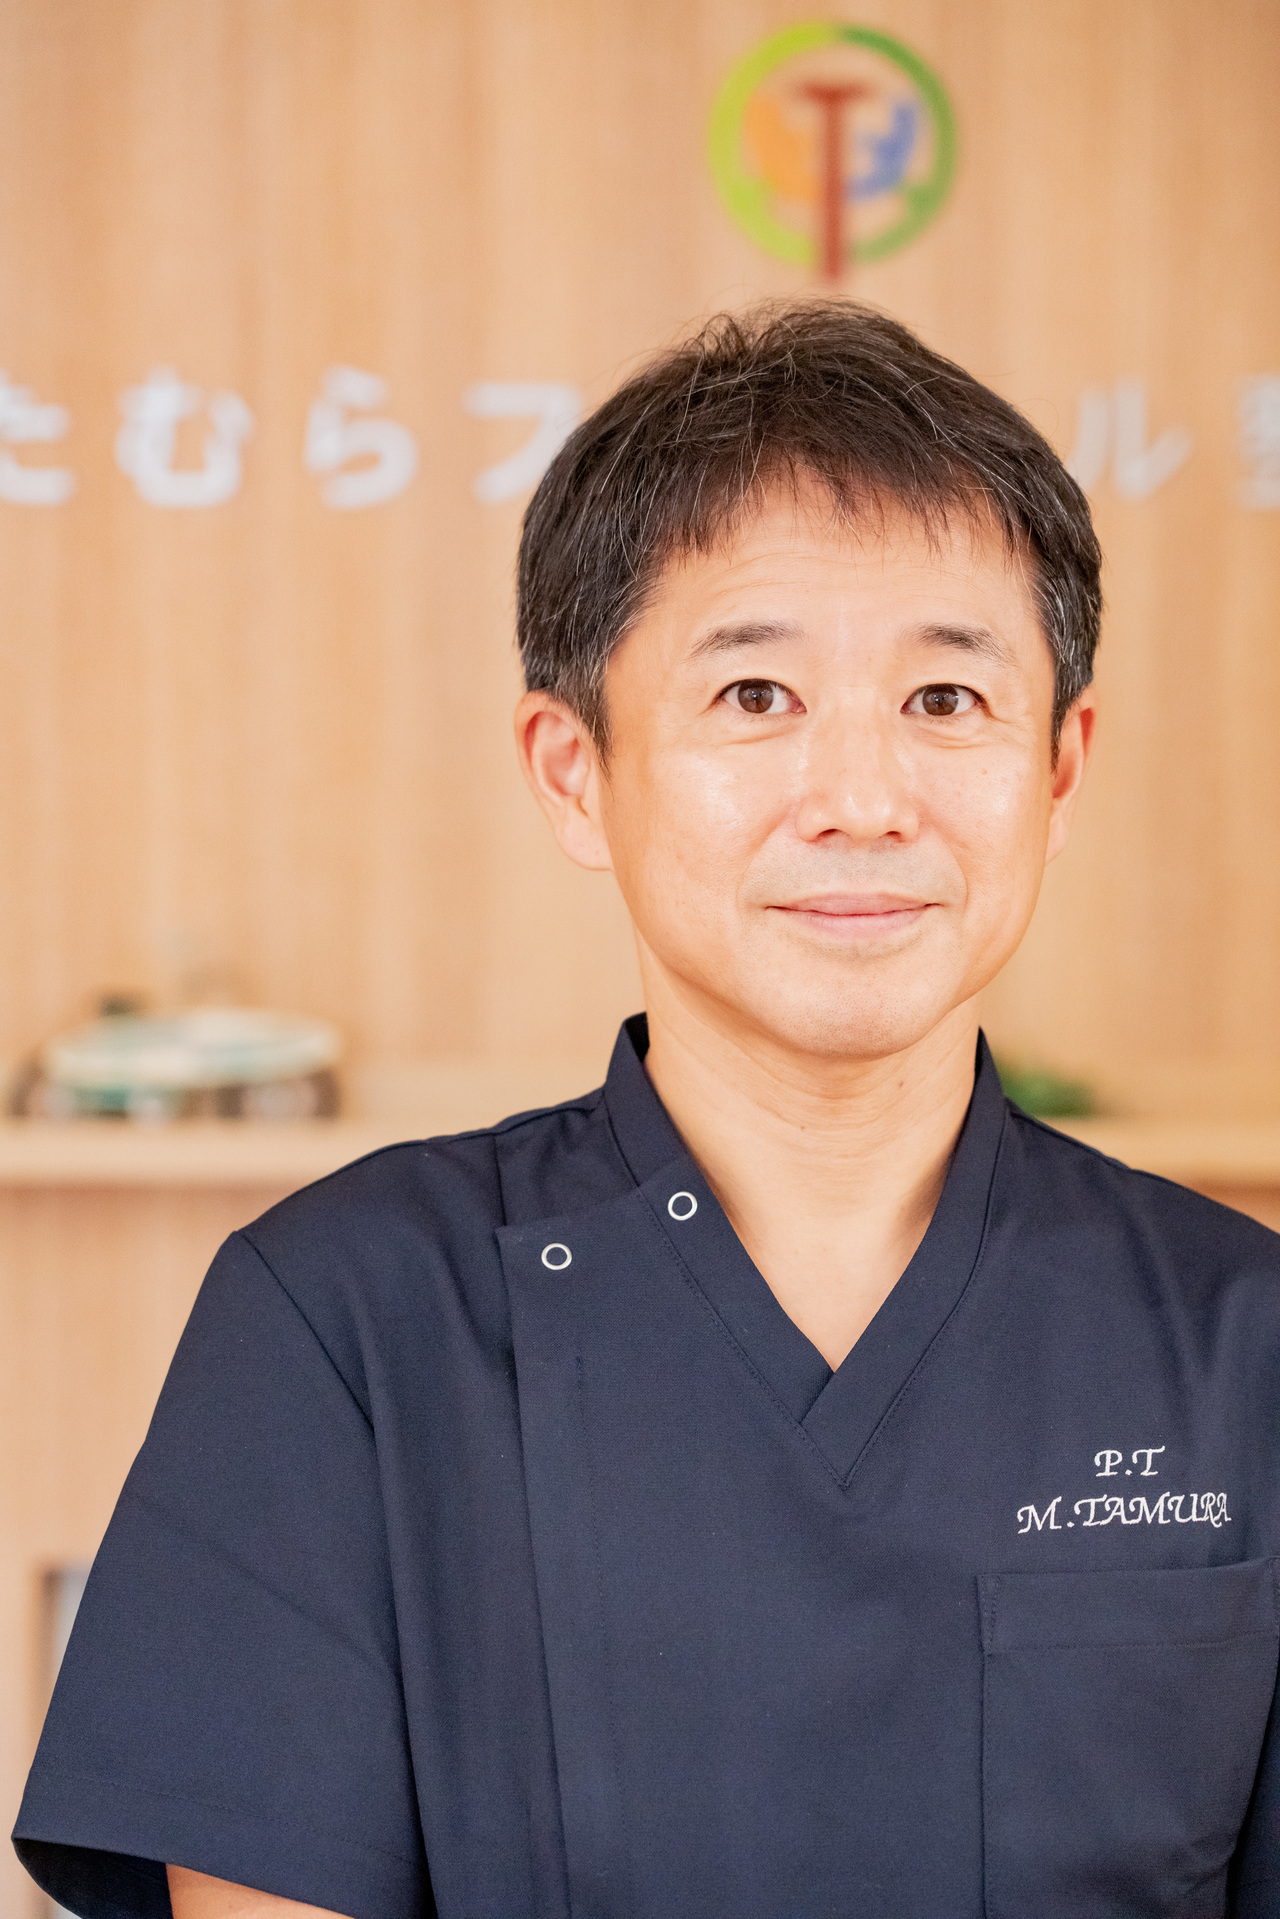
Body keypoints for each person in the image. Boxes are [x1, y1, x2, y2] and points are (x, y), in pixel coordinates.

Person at [13, 302, 1280, 1919]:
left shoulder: (1242, 1341)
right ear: (573, 772)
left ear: (1060, 767)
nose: (863, 800)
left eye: (946, 700)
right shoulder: (345, 1322)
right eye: (754, 695)